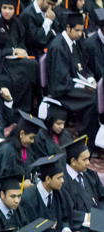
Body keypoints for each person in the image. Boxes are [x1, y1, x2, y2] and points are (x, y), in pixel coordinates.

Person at [46, 12, 99, 140]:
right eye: (77, 30)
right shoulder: (58, 46)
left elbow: (83, 66)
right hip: (62, 90)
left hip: (73, 85)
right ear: (68, 28)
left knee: (97, 94)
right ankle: (86, 138)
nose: (80, 34)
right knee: (93, 100)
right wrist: (82, 86)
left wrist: (89, 79)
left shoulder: (75, 42)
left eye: (82, 30)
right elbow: (60, 79)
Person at [0, 0, 38, 115]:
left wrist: (22, 53)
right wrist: (12, 51)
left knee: (32, 65)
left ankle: (27, 109)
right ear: (0, 8)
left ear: (14, 10)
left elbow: (21, 44)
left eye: (10, 8)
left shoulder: (17, 24)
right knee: (21, 72)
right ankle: (13, 111)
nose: (7, 11)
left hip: (13, 61)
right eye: (4, 8)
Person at [19, 154, 76, 232]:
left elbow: (64, 219)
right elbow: (29, 230)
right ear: (48, 179)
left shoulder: (60, 193)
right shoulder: (28, 199)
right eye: (59, 178)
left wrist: (67, 231)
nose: (62, 180)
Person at [61, 136, 104, 232]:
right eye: (84, 160)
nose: (88, 163)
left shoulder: (90, 174)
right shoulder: (62, 181)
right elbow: (66, 212)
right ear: (73, 161)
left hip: (98, 223)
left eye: (88, 158)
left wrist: (100, 215)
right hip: (79, 229)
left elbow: (102, 197)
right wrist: (87, 217)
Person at [0, 111, 46, 182]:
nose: (32, 141)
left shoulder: (28, 151)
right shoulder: (6, 151)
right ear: (22, 133)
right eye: (31, 137)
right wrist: (21, 186)